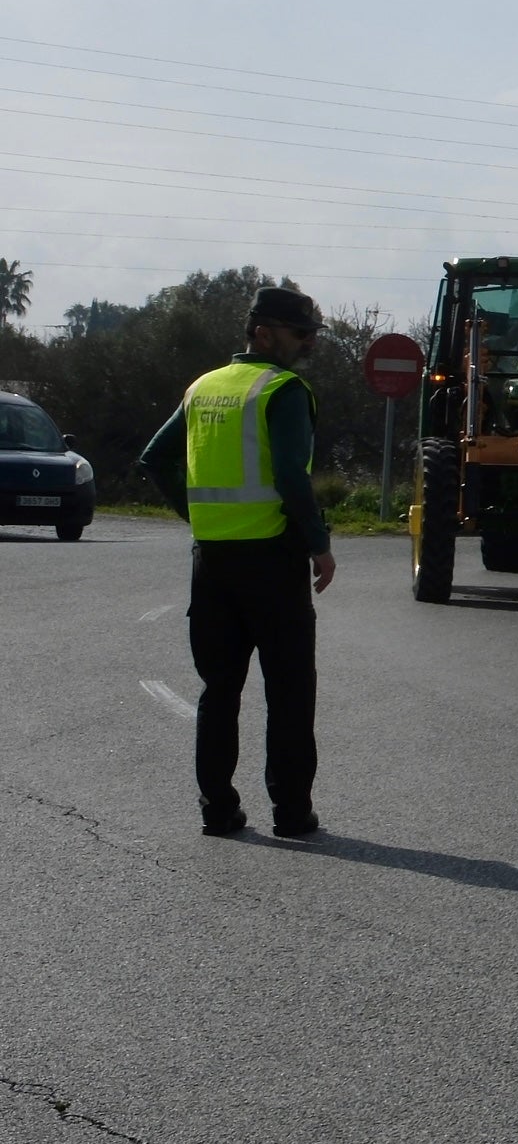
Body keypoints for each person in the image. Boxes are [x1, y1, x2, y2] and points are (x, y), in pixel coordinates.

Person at [140, 286, 337, 839]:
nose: (308, 345)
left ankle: (217, 811)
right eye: (301, 335)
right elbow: (292, 478)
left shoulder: (202, 387)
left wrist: (195, 514)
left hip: (212, 563)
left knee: (219, 690)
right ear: (262, 332)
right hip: (272, 560)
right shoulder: (282, 390)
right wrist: (319, 545)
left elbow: (154, 459)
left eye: (311, 336)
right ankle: (292, 814)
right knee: (290, 690)